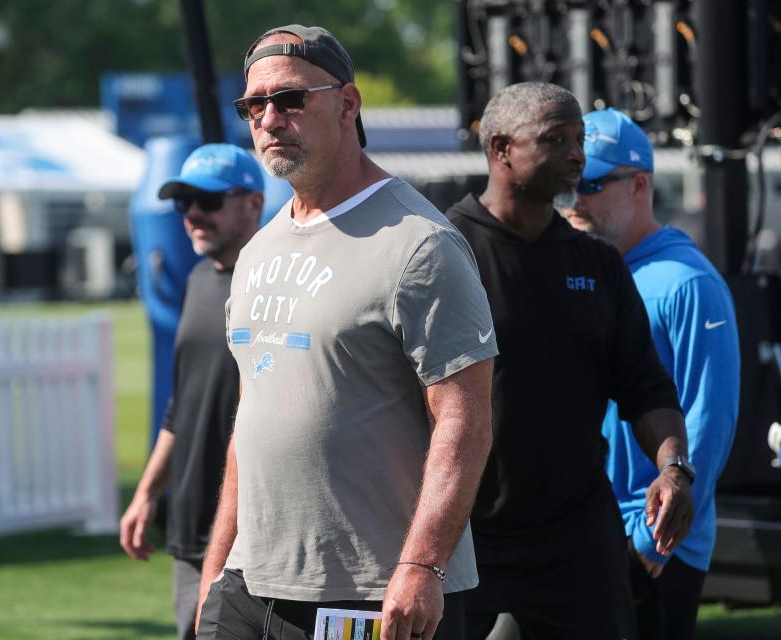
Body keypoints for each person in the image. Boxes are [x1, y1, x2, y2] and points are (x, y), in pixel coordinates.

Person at [195, 24, 498, 640]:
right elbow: (254, 415)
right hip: (250, 583)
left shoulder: (420, 243)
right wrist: (218, 566)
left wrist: (421, 566)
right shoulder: (259, 249)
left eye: (291, 99)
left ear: (348, 104)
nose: (269, 119)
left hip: (370, 593)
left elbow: (464, 423)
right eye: (255, 105)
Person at [444, 82, 695, 640]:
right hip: (460, 533)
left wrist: (673, 467)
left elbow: (646, 386)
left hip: (575, 533)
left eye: (579, 139)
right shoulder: (442, 250)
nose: (577, 155)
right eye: (556, 139)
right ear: (502, 149)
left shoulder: (598, 263)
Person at [564, 108, 740, 640]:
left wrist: (651, 541)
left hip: (654, 541)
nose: (576, 200)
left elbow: (709, 420)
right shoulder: (591, 269)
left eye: (592, 184)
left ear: (639, 185)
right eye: (570, 183)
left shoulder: (688, 284)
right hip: (587, 532)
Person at [119, 143, 265, 640]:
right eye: (184, 203)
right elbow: (182, 405)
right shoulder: (199, 280)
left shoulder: (276, 284)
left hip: (261, 530)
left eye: (209, 201)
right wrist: (146, 494)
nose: (194, 215)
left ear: (254, 203)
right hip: (191, 526)